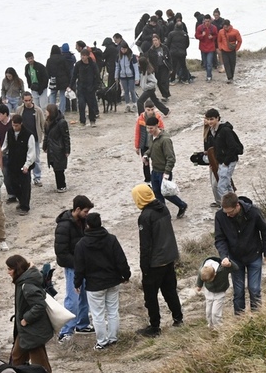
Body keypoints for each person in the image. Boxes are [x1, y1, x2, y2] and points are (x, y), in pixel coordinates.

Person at [131, 183, 183, 336]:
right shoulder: (163, 208)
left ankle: (154, 327)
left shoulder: (145, 217)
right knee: (170, 291)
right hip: (169, 257)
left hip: (155, 262)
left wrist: (144, 267)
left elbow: (145, 245)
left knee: (151, 296)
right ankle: (178, 319)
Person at [74, 212, 131, 350]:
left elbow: (79, 267)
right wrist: (126, 275)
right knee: (113, 311)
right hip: (112, 281)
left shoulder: (81, 244)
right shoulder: (111, 239)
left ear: (87, 225)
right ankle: (113, 338)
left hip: (94, 286)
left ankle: (102, 342)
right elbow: (121, 260)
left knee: (98, 315)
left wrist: (77, 283)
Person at [214, 192, 266, 315]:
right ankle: (239, 319)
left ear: (238, 206)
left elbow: (265, 230)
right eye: (225, 212)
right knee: (238, 291)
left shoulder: (253, 212)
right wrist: (224, 256)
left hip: (254, 254)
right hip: (234, 258)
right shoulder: (220, 216)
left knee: (254, 289)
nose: (228, 215)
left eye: (230, 212)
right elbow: (220, 239)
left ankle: (257, 317)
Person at [5, 254, 54, 373]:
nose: (8, 272)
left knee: (39, 361)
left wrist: (26, 318)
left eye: (10, 269)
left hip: (32, 330)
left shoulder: (26, 285)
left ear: (17, 269)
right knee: (17, 356)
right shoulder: (24, 280)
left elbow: (39, 305)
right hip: (26, 330)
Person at [54, 195, 94, 343]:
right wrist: (78, 264)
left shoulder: (83, 222)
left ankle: (82, 325)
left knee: (85, 297)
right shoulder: (64, 226)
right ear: (77, 209)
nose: (87, 214)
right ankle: (66, 331)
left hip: (83, 267)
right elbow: (61, 253)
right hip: (73, 268)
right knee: (73, 300)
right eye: (85, 211)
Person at [143, 116, 188, 218]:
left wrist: (167, 173)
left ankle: (182, 205)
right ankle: (164, 215)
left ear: (156, 126)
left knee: (166, 193)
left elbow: (171, 158)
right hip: (154, 171)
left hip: (163, 172)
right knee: (157, 194)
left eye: (151, 128)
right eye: (147, 128)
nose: (149, 130)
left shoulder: (165, 140)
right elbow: (151, 149)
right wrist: (146, 155)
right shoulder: (151, 137)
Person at [203, 109, 244, 206]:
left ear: (217, 118)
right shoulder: (213, 131)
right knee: (228, 186)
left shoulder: (225, 130)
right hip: (221, 162)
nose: (209, 121)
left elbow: (232, 147)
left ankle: (228, 207)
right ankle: (235, 205)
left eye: (211, 119)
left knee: (221, 187)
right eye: (208, 119)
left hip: (228, 162)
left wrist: (225, 162)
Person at [4, 115, 35, 216]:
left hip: (24, 164)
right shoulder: (9, 132)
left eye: (16, 125)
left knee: (25, 186)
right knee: (12, 183)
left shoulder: (29, 135)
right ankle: (21, 201)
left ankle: (25, 206)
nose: (14, 127)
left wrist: (27, 165)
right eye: (13, 125)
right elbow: (5, 146)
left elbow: (31, 152)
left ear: (21, 124)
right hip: (12, 163)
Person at [196, 256, 237, 328]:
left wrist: (229, 263)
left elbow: (235, 268)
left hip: (220, 292)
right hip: (209, 292)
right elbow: (200, 276)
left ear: (215, 274)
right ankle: (210, 326)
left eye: (209, 280)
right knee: (208, 312)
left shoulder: (222, 269)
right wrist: (199, 286)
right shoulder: (202, 269)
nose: (208, 282)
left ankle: (218, 327)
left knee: (215, 313)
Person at [15, 92, 45, 187]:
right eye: (26, 100)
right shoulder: (19, 110)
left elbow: (43, 124)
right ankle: (24, 177)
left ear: (32, 99)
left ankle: (37, 177)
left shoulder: (38, 110)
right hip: (23, 138)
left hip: (35, 138)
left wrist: (44, 136)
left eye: (29, 100)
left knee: (36, 158)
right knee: (22, 158)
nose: (28, 102)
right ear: (23, 100)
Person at [42, 103, 71, 193]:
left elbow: (66, 137)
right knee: (56, 168)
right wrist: (45, 146)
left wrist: (67, 150)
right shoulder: (47, 122)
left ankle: (62, 186)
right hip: (52, 148)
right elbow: (46, 135)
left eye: (47, 111)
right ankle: (60, 185)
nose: (45, 112)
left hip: (59, 149)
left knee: (59, 169)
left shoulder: (61, 122)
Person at [70, 48, 100, 127]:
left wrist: (96, 86)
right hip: (81, 88)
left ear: (87, 56)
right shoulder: (78, 64)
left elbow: (97, 75)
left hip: (90, 88)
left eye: (84, 56)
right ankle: (82, 121)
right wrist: (70, 86)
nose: (82, 57)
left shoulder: (92, 64)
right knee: (81, 104)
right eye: (81, 56)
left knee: (91, 105)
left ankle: (92, 120)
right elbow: (74, 76)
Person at [115, 43, 140, 112]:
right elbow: (117, 67)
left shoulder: (132, 56)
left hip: (131, 76)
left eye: (124, 49)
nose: (123, 50)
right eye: (122, 49)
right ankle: (127, 105)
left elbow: (135, 68)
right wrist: (116, 76)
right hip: (122, 76)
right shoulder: (118, 57)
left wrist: (137, 78)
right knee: (126, 91)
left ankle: (135, 104)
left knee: (132, 90)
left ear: (127, 49)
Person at [217, 19, 243, 83]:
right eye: (224, 27)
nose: (225, 28)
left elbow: (239, 41)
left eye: (226, 27)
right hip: (224, 50)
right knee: (226, 64)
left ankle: (232, 76)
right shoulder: (221, 32)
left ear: (229, 26)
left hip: (232, 50)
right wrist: (220, 47)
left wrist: (237, 48)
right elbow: (219, 40)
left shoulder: (235, 32)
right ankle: (229, 77)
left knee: (232, 64)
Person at [196, 14, 219, 82]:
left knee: (209, 63)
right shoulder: (200, 27)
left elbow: (216, 35)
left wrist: (212, 37)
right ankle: (208, 74)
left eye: (208, 21)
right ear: (203, 21)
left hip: (211, 48)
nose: (207, 23)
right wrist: (201, 35)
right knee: (205, 63)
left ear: (210, 21)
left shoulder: (213, 28)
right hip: (203, 47)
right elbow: (196, 36)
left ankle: (209, 76)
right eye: (206, 21)